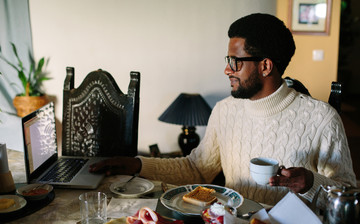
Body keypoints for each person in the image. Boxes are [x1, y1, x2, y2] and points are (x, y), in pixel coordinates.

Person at [90, 13, 356, 207]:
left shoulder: (321, 119)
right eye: (227, 60)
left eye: (235, 62)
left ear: (265, 66)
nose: (227, 69)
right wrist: (137, 164)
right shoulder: (225, 111)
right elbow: (196, 169)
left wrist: (311, 183)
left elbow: (350, 193)